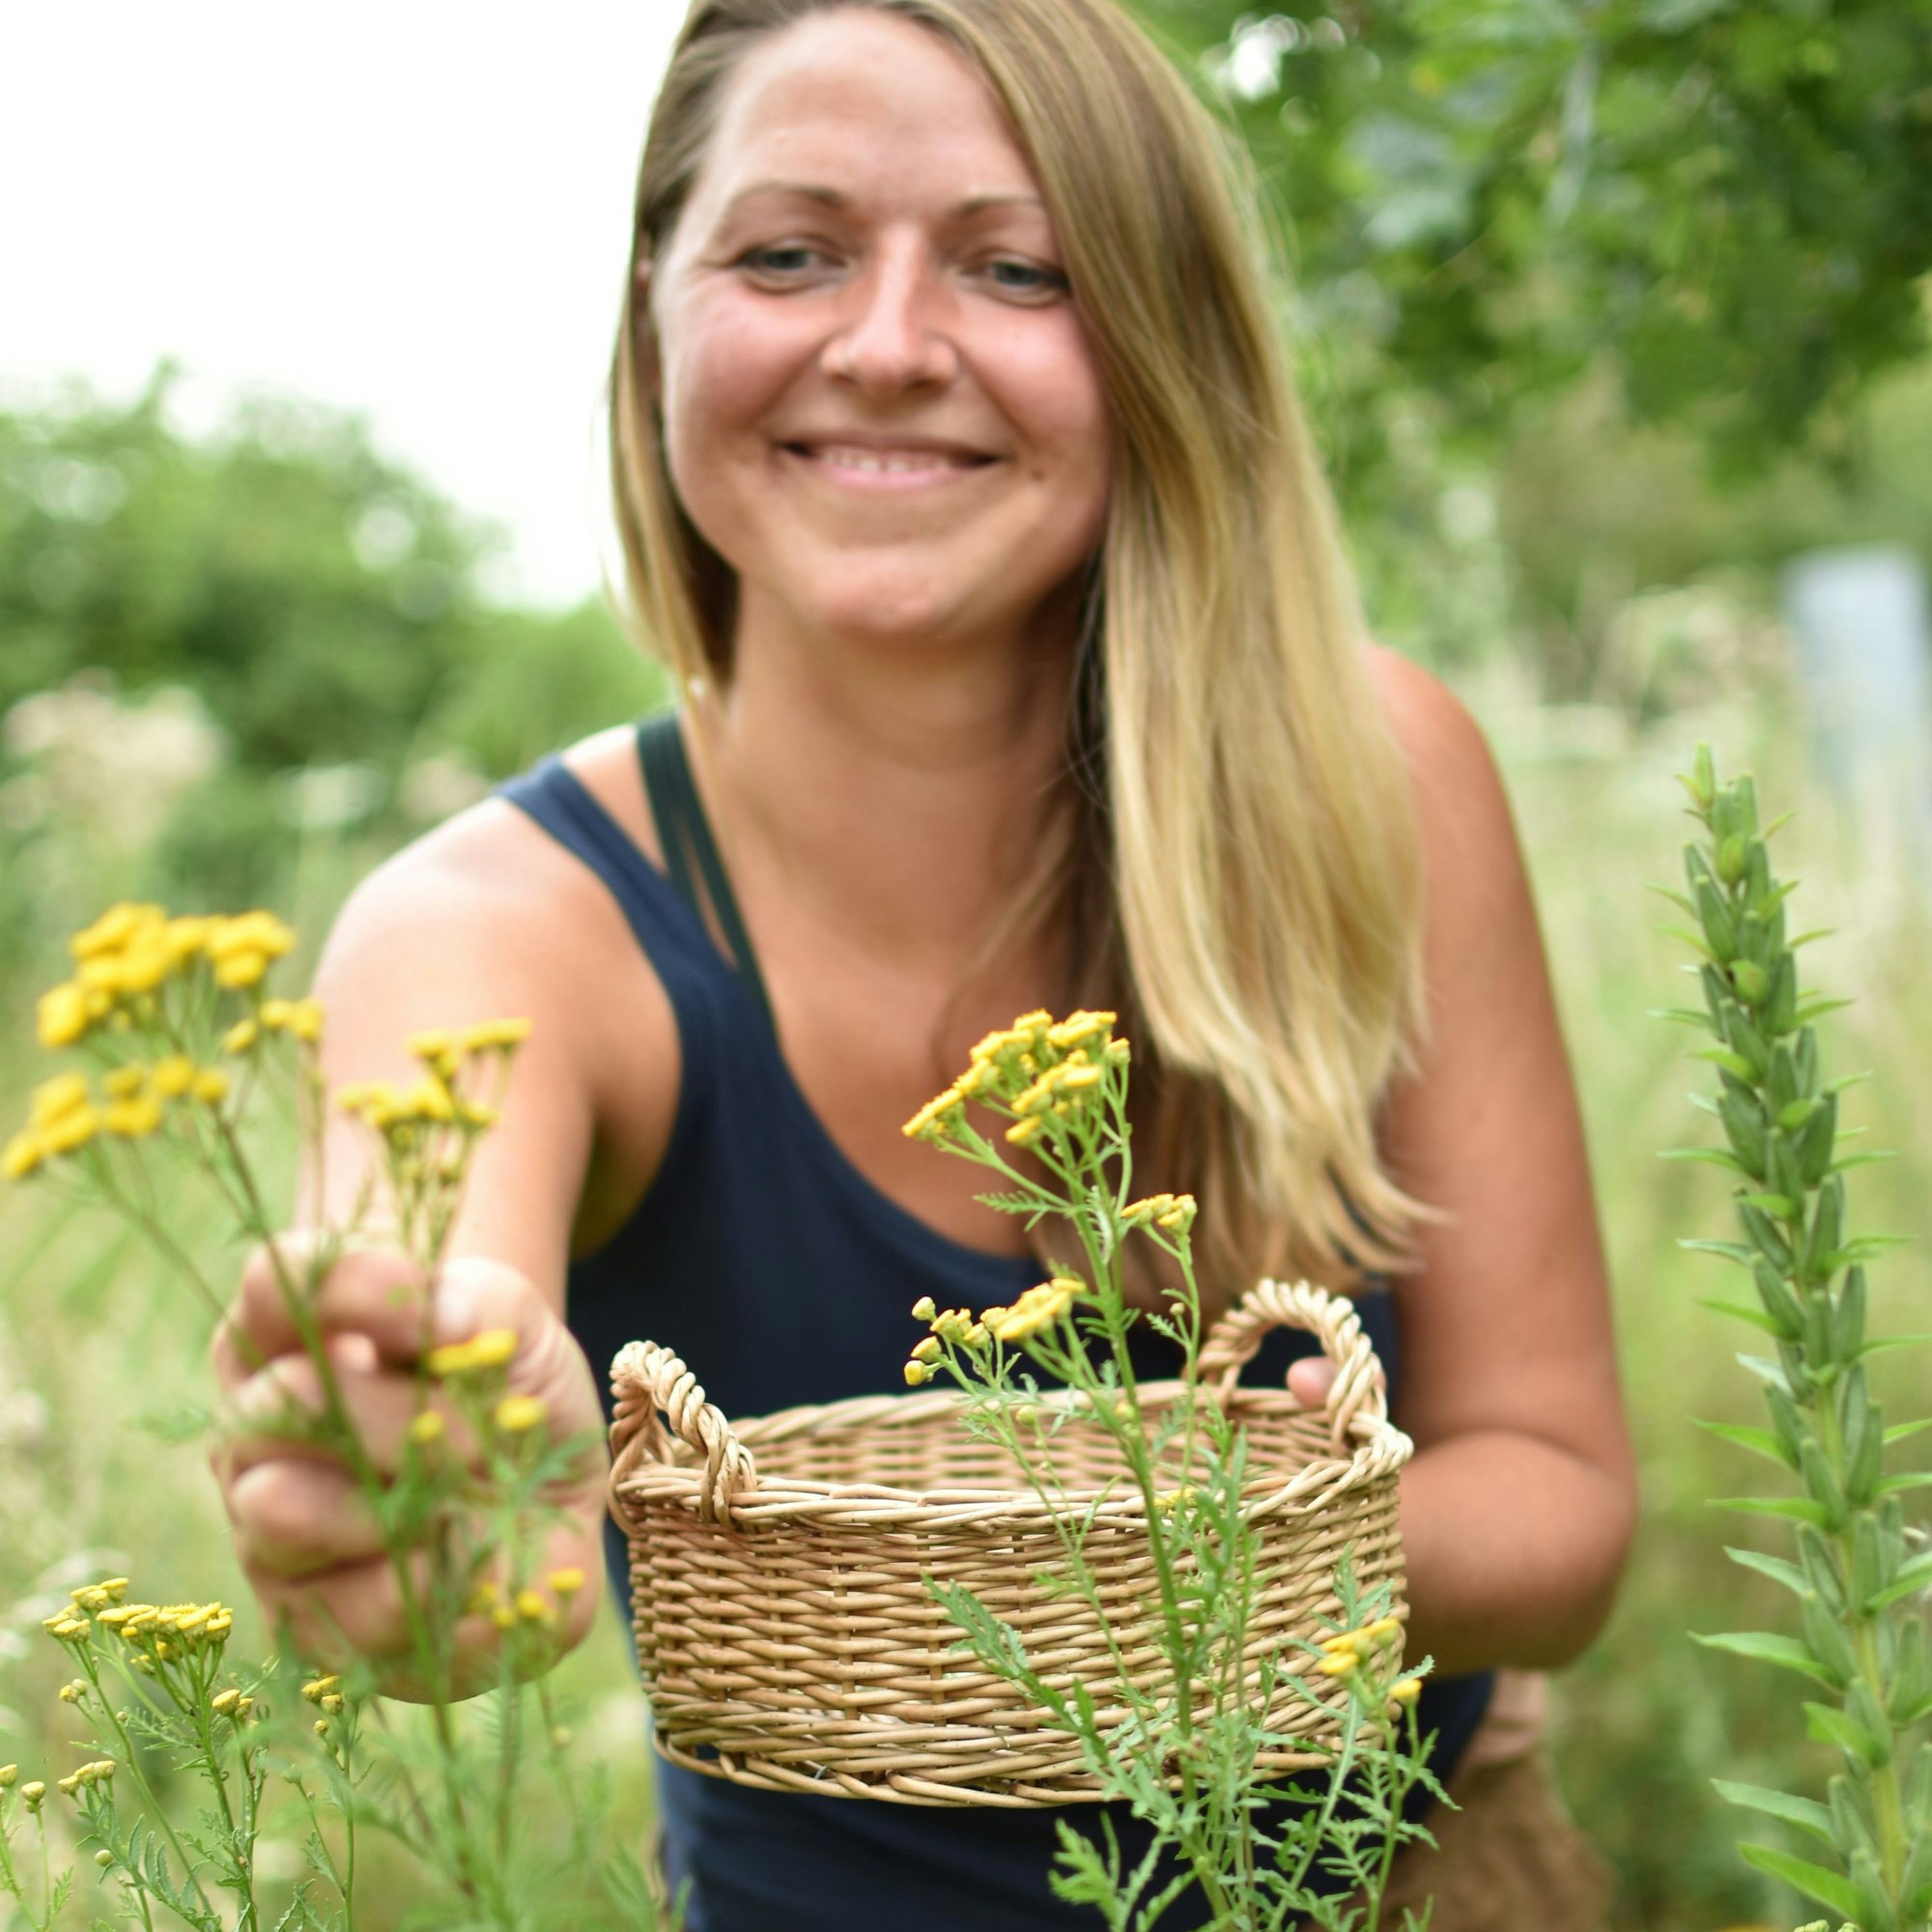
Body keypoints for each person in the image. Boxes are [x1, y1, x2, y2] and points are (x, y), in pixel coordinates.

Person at [211, 0, 1637, 1924]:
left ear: (1157, 343)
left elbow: (1555, 1506)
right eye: (785, 252)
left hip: (1415, 1879)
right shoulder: (496, 929)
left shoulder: (1375, 782)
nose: (882, 348)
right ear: (656, 316)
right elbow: (435, 1343)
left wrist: (1157, 1551)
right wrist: (432, 1472)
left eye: (1016, 267)